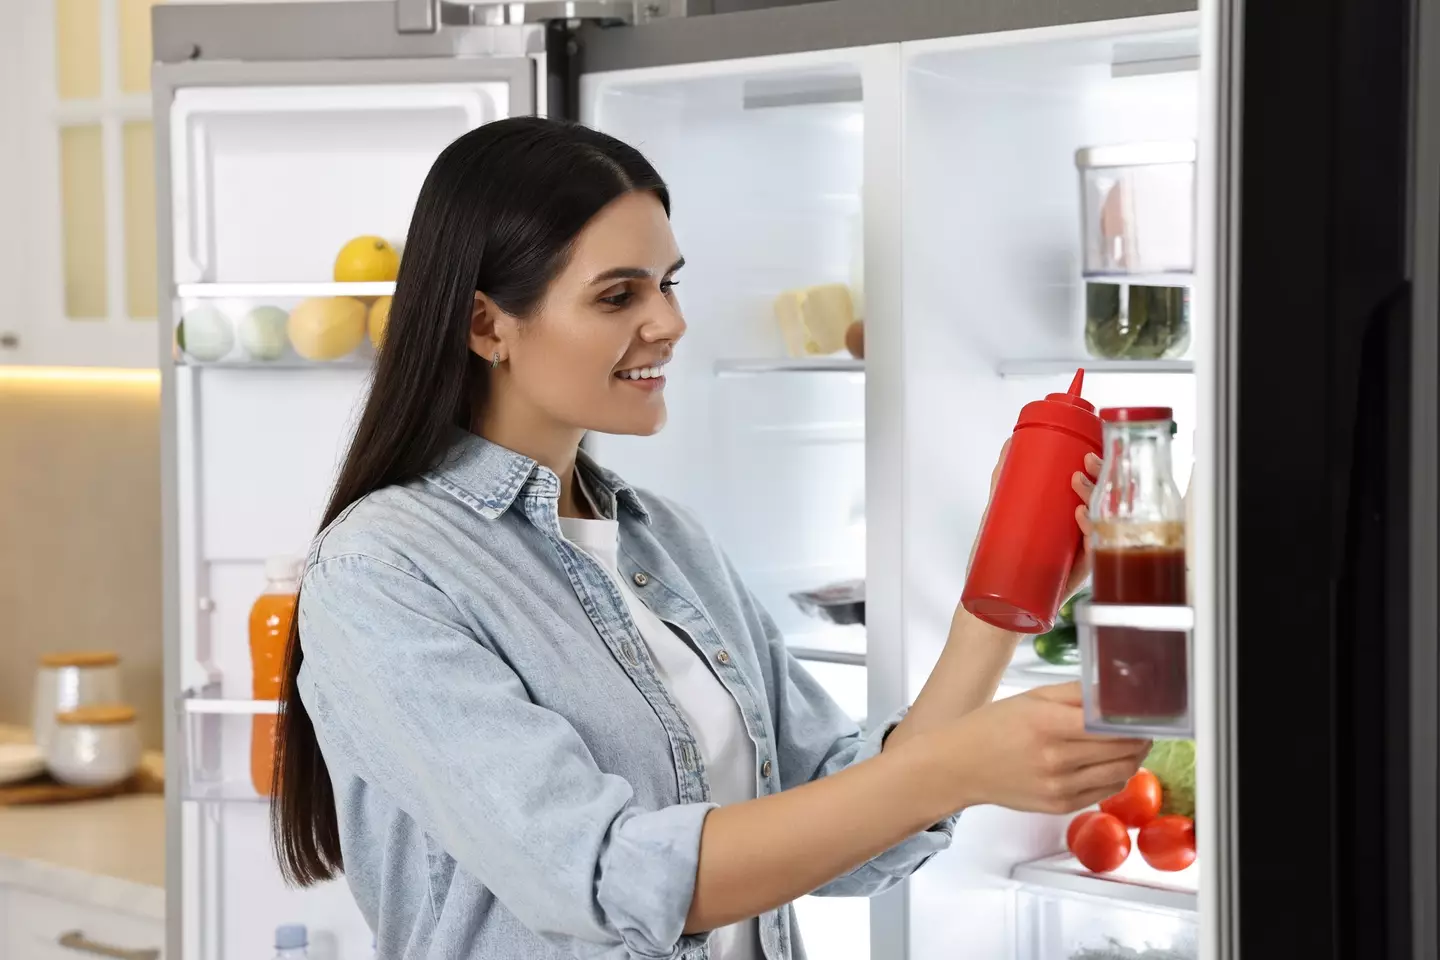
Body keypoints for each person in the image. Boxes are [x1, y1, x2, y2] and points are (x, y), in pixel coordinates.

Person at [271, 117, 1149, 960]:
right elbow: (609, 880)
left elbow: (843, 826)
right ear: (486, 325)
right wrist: (953, 771)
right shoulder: (383, 572)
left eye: (669, 283)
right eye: (619, 294)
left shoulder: (666, 543)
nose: (669, 323)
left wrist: (998, 606)